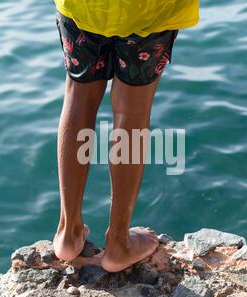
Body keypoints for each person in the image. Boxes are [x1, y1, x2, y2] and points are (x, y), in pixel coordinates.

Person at [52, 0, 199, 272]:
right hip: (148, 13)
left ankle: (68, 233)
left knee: (78, 98)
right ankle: (119, 243)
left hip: (83, 8)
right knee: (132, 113)